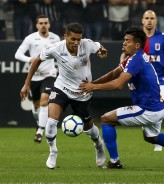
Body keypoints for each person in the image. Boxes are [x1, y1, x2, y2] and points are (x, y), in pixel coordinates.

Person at [79, 26, 164, 169]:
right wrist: (92, 83)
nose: (124, 43)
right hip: (158, 106)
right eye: (124, 40)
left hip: (148, 109)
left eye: (127, 41)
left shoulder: (137, 60)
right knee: (152, 137)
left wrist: (93, 88)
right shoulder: (132, 58)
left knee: (106, 119)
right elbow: (114, 73)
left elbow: (118, 84)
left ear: (137, 45)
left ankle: (115, 162)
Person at [20, 22, 108, 169]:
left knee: (88, 128)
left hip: (82, 92)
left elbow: (100, 49)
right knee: (52, 121)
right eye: (73, 39)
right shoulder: (56, 48)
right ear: (65, 36)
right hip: (62, 88)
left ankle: (98, 144)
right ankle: (53, 151)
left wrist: (102, 52)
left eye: (78, 39)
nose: (76, 42)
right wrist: (26, 84)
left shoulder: (87, 44)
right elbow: (36, 60)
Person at [121, 10, 164, 151]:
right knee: (144, 109)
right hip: (142, 83)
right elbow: (124, 54)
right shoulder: (137, 39)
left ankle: (157, 138)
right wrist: (126, 73)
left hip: (160, 80)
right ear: (142, 20)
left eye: (152, 18)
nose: (149, 21)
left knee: (163, 109)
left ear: (156, 21)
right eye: (146, 18)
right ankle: (152, 136)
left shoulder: (163, 37)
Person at [15, 15, 60, 143]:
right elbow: (17, 54)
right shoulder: (30, 39)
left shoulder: (55, 38)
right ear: (36, 25)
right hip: (34, 76)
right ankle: (39, 122)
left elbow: (59, 56)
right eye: (41, 23)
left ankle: (40, 131)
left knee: (44, 100)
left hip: (49, 74)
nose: (43, 25)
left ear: (49, 25)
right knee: (36, 106)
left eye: (46, 23)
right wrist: (30, 59)